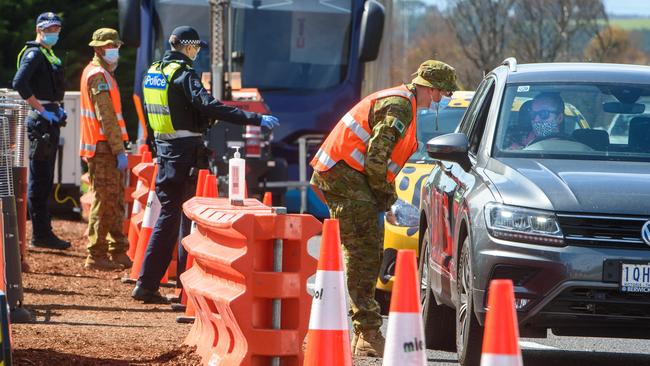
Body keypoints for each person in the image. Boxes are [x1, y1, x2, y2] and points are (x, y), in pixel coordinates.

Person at [310, 60, 457, 357]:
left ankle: (363, 332)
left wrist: (382, 198)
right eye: (442, 92)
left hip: (348, 176)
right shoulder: (401, 106)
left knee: (367, 251)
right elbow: (377, 158)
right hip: (345, 175)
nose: (442, 99)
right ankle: (367, 332)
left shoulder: (406, 104)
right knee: (364, 253)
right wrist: (386, 198)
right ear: (431, 88)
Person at [131, 26, 280, 303]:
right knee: (189, 220)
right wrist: (254, 120)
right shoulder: (183, 74)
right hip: (186, 153)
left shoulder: (153, 72)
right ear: (187, 47)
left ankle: (150, 283)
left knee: (170, 216)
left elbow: (157, 114)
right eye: (196, 47)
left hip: (165, 151)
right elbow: (209, 106)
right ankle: (183, 289)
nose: (197, 52)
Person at [12, 12, 70, 250]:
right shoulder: (35, 53)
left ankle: (43, 232)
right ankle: (40, 234)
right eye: (49, 29)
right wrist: (42, 110)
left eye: (57, 29)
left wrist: (57, 109)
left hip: (50, 118)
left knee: (45, 178)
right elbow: (19, 83)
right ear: (39, 29)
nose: (54, 33)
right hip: (41, 122)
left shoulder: (48, 54)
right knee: (40, 178)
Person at [79, 28, 132, 270]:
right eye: (111, 46)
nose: (115, 50)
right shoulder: (98, 76)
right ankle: (96, 253)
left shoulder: (102, 73)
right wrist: (118, 149)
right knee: (105, 199)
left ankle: (116, 249)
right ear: (99, 49)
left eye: (116, 46)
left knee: (115, 198)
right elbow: (106, 117)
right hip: (103, 149)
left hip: (105, 148)